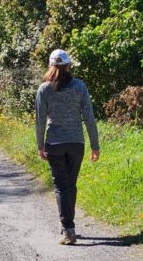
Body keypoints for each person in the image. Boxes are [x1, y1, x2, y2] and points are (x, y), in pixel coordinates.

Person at [35, 49, 100, 246]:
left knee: (61, 186)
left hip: (54, 143)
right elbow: (89, 117)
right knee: (70, 184)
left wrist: (39, 145)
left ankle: (68, 229)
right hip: (76, 144)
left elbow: (40, 120)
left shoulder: (44, 89)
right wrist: (95, 145)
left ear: (50, 66)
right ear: (69, 66)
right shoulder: (80, 86)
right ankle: (68, 227)